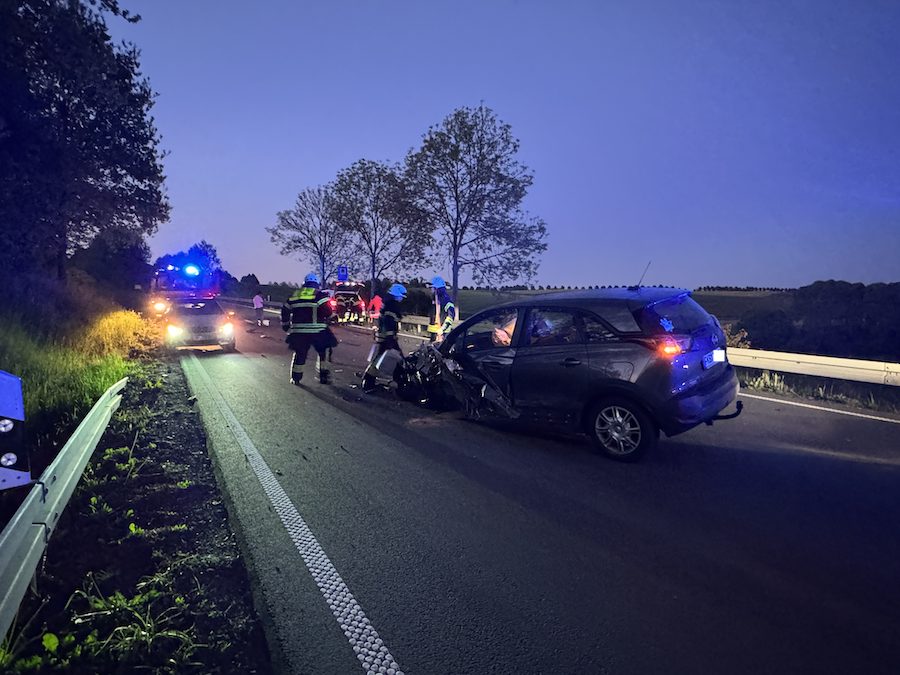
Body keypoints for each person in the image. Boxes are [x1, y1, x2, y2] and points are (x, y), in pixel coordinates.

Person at [281, 273, 336, 385]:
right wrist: (331, 317)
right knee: (325, 352)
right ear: (316, 283)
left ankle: (296, 378)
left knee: (300, 353)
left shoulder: (295, 295)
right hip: (318, 331)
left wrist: (286, 325)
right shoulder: (319, 295)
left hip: (298, 332)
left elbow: (285, 310)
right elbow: (327, 311)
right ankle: (324, 376)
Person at [362, 283, 406, 393]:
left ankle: (368, 381)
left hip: (384, 336)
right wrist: (390, 338)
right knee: (385, 359)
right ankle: (369, 382)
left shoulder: (386, 304)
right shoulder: (392, 306)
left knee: (378, 359)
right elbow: (390, 323)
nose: (401, 299)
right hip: (387, 338)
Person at [426, 276, 456, 342]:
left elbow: (451, 315)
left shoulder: (445, 299)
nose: (430, 289)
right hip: (434, 331)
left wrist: (443, 328)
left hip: (442, 332)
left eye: (431, 287)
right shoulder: (435, 297)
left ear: (437, 288)